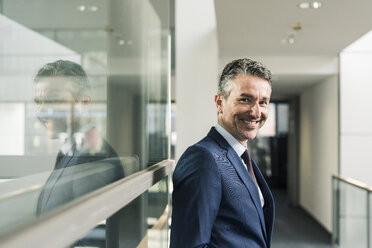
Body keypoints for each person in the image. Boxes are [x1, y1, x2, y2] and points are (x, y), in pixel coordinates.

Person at [170, 58, 275, 248]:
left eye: (263, 102)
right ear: (219, 102)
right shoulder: (203, 159)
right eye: (245, 99)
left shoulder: (240, 156)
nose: (256, 112)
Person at [34, 60, 124, 246]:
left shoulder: (94, 160)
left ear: (83, 102)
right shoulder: (71, 151)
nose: (41, 112)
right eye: (38, 102)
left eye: (53, 100)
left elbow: (91, 241)